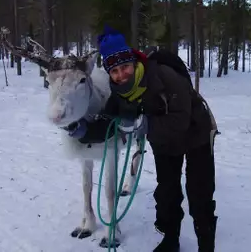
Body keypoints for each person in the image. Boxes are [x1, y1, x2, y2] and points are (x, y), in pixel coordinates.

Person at [68, 26, 218, 252]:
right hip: (164, 141)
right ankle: (170, 240)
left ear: (134, 63)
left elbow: (181, 119)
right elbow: (108, 124)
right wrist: (82, 131)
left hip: (196, 132)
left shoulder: (164, 77)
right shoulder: (118, 92)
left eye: (125, 67)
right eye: (114, 71)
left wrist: (143, 124)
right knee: (167, 194)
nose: (121, 75)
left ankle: (206, 244)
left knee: (199, 194)